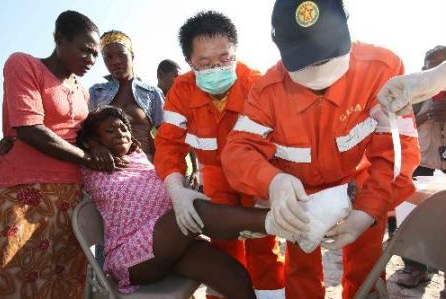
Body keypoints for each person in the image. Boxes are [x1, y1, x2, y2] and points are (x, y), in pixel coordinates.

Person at [221, 1, 420, 298]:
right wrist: (273, 181)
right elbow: (238, 151)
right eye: (307, 60)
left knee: (367, 268)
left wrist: (366, 212)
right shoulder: (266, 92)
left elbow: (397, 151)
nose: (319, 69)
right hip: (302, 195)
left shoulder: (382, 69)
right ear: (279, 45)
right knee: (301, 269)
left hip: (362, 185)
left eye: (326, 53)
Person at [78, 106, 295, 298]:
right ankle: (285, 220)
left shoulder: (138, 158)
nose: (120, 134)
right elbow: (69, 143)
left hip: (173, 242)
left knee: (234, 275)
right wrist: (90, 150)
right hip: (133, 256)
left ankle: (278, 221)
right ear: (93, 140)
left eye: (123, 128)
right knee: (194, 209)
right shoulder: (90, 165)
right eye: (110, 130)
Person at [154, 11, 285, 299]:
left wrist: (270, 189)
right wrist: (175, 188)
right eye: (205, 63)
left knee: (264, 242)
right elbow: (168, 144)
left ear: (235, 53)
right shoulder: (181, 90)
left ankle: (271, 295)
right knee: (222, 246)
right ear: (190, 62)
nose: (217, 68)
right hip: (214, 176)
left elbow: (279, 138)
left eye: (225, 59)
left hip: (255, 174)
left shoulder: (256, 84)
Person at [0, 10, 102, 298]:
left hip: (71, 195)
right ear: (59, 39)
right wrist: (87, 159)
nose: (91, 60)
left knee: (64, 275)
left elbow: (82, 135)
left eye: (95, 55)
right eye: (85, 50)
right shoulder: (24, 64)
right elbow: (30, 128)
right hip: (25, 190)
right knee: (12, 272)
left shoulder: (82, 91)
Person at [395, 46, 446, 290]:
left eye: (439, 66)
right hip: (421, 164)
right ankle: (414, 268)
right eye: (428, 66)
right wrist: (426, 116)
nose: (430, 71)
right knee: (407, 208)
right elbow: (398, 124)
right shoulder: (414, 93)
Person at [89, 30, 164, 162]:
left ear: (132, 56)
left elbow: (167, 136)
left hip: (146, 165)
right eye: (108, 57)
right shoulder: (96, 92)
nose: (116, 61)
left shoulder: (152, 93)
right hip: (109, 168)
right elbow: (85, 131)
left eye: (121, 55)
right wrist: (95, 146)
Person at [378, 57, 446, 116]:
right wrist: (427, 115)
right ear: (424, 68)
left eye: (443, 62)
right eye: (435, 64)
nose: (438, 66)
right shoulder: (417, 93)